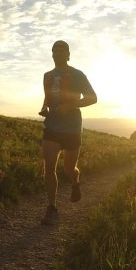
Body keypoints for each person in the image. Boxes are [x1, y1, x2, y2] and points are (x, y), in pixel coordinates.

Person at [39, 40, 97, 225]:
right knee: (49, 167)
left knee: (69, 168)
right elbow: (48, 96)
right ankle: (52, 208)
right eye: (55, 51)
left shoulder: (77, 75)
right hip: (52, 126)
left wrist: (71, 105)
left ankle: (75, 182)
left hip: (72, 127)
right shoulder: (47, 76)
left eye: (62, 51)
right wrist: (44, 108)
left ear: (68, 55)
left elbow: (93, 98)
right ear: (52, 54)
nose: (58, 54)